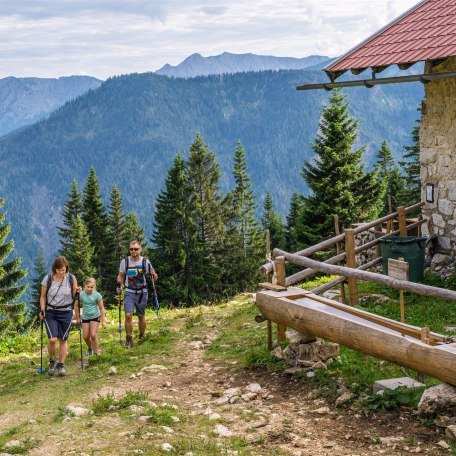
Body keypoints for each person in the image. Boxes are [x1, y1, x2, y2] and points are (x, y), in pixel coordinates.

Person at [39, 256, 78, 377]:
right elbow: (43, 296)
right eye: (60, 270)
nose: (62, 272)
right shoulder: (48, 279)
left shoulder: (71, 278)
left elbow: (75, 295)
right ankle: (52, 360)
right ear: (55, 269)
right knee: (52, 339)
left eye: (64, 270)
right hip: (51, 312)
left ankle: (61, 365)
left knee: (63, 339)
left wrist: (78, 291)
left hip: (66, 312)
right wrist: (42, 309)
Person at [117, 240, 158, 348]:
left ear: (140, 249)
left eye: (136, 249)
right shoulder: (124, 262)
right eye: (131, 249)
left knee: (141, 316)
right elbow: (120, 275)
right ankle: (129, 339)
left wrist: (154, 275)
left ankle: (142, 335)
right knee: (128, 315)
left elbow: (155, 278)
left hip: (142, 292)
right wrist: (118, 285)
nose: (133, 251)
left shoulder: (145, 262)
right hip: (129, 291)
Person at [74, 278, 106, 357]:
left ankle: (96, 353)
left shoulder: (97, 295)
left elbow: (101, 308)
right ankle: (90, 348)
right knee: (85, 336)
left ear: (94, 287)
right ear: (85, 286)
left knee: (93, 335)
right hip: (85, 317)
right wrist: (77, 317)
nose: (90, 289)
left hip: (95, 315)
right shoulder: (81, 294)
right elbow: (76, 305)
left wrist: (103, 321)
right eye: (88, 287)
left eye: (92, 287)